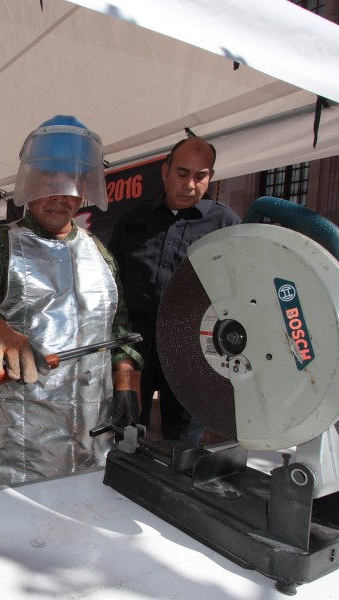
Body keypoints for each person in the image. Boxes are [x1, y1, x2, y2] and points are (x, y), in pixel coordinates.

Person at [0, 115, 143, 487]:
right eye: (49, 183)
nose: (59, 197)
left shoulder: (98, 252)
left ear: (84, 188)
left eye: (70, 185)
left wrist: (126, 377)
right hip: (26, 436)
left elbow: (119, 325)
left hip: (97, 431)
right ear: (31, 184)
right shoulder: (3, 245)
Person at [108, 135, 240, 442]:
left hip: (190, 351)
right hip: (135, 348)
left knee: (184, 441)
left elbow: (240, 292)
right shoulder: (133, 219)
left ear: (211, 178)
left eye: (200, 176)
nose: (190, 185)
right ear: (165, 171)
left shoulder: (226, 225)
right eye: (182, 174)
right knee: (126, 432)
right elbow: (111, 282)